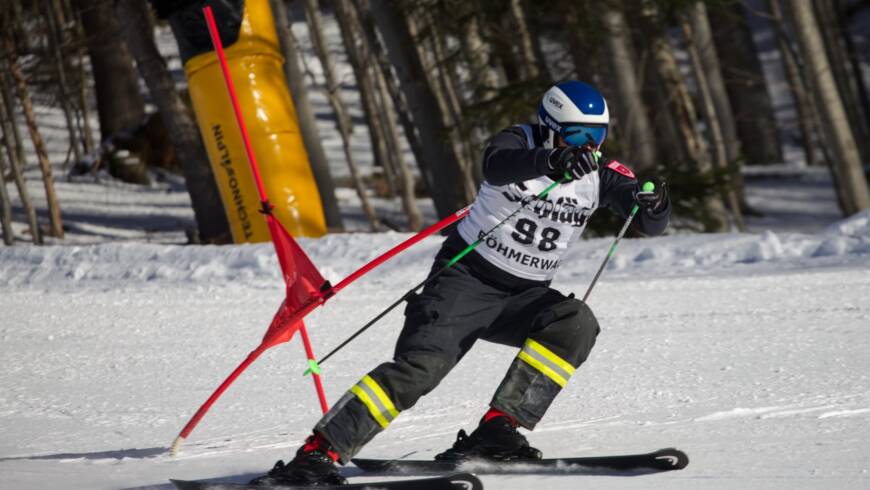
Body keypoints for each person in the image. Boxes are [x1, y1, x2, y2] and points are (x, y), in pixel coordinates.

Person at [254, 80, 671, 486]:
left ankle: (497, 429)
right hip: (463, 281)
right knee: (420, 369)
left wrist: (654, 203)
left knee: (574, 322)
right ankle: (318, 452)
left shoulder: (600, 173)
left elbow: (651, 222)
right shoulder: (517, 143)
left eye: (596, 136)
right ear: (549, 127)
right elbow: (495, 165)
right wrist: (550, 162)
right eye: (577, 134)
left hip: (523, 296)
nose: (588, 147)